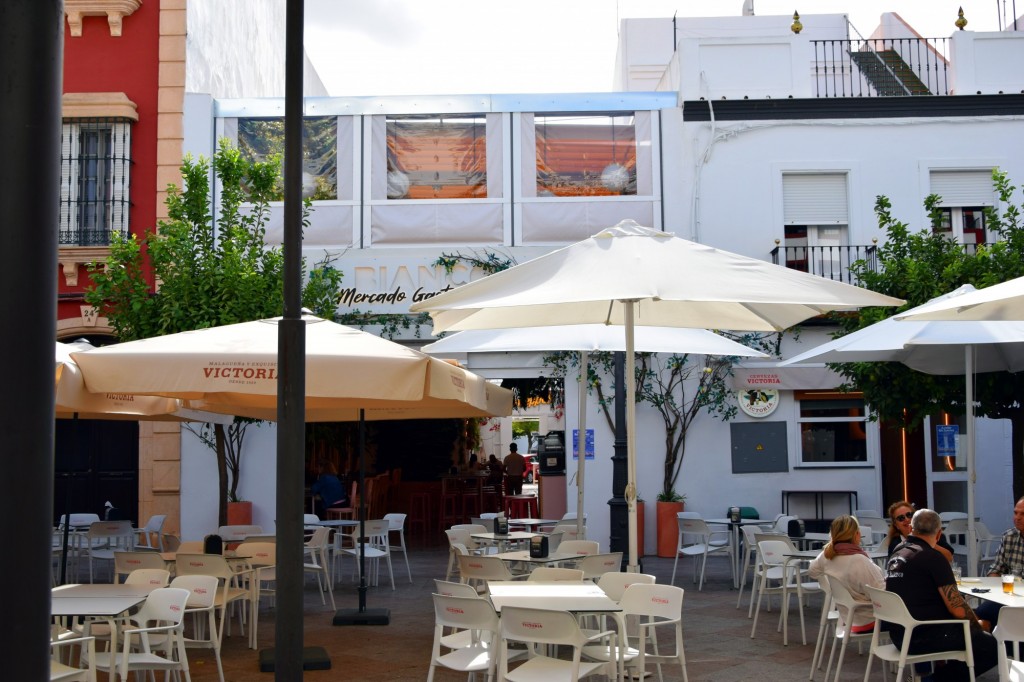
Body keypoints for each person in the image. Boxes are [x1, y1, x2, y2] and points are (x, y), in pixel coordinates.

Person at [884, 508, 997, 682]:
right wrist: (978, 625)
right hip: (922, 637)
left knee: (972, 636)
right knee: (990, 646)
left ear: (912, 528)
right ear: (938, 534)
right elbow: (958, 609)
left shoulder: (898, 551)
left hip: (899, 633)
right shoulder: (933, 557)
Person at [807, 515, 885, 635]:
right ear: (856, 534)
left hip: (848, 619)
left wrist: (833, 587)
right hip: (870, 620)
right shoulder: (859, 560)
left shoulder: (826, 555)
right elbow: (881, 594)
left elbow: (812, 571)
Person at [973, 496, 1024, 628]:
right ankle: (994, 647)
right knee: (977, 616)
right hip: (1008, 597)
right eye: (1015, 512)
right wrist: (1001, 589)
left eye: (1022, 514)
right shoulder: (1009, 537)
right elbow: (995, 570)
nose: (1017, 517)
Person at [885, 500, 954, 563]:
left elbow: (949, 558)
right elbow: (894, 565)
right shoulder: (895, 543)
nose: (907, 519)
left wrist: (927, 540)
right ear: (896, 525)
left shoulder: (933, 532)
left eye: (909, 515)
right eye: (901, 518)